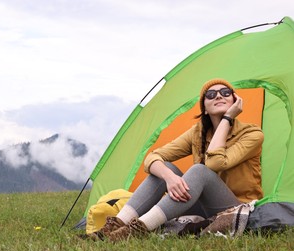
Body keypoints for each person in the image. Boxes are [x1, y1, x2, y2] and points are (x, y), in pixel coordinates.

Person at [97, 78, 264, 241]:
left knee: (200, 171)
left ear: (235, 101)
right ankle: (114, 226)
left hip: (235, 206)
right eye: (211, 94)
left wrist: (227, 118)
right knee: (165, 168)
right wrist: (170, 178)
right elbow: (152, 157)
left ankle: (137, 230)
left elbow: (214, 163)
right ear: (204, 108)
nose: (219, 96)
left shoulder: (252, 134)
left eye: (226, 92)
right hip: (202, 206)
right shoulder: (197, 133)